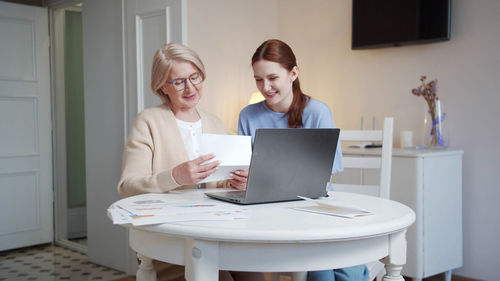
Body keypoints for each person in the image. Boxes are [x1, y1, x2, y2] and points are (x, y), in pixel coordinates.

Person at [117, 42, 262, 281]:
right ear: (162, 86)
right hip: (172, 238)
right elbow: (127, 186)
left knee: (257, 273)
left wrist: (239, 183)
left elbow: (221, 185)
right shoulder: (149, 121)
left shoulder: (214, 122)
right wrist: (175, 176)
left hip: (218, 232)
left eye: (195, 77)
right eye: (179, 81)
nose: (190, 88)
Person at [237, 39, 369, 281]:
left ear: (293, 73)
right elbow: (245, 174)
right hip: (266, 214)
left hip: (316, 209)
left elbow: (323, 177)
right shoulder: (248, 115)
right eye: (258, 79)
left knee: (333, 268)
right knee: (324, 267)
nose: (265, 87)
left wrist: (265, 177)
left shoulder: (317, 112)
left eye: (272, 78)